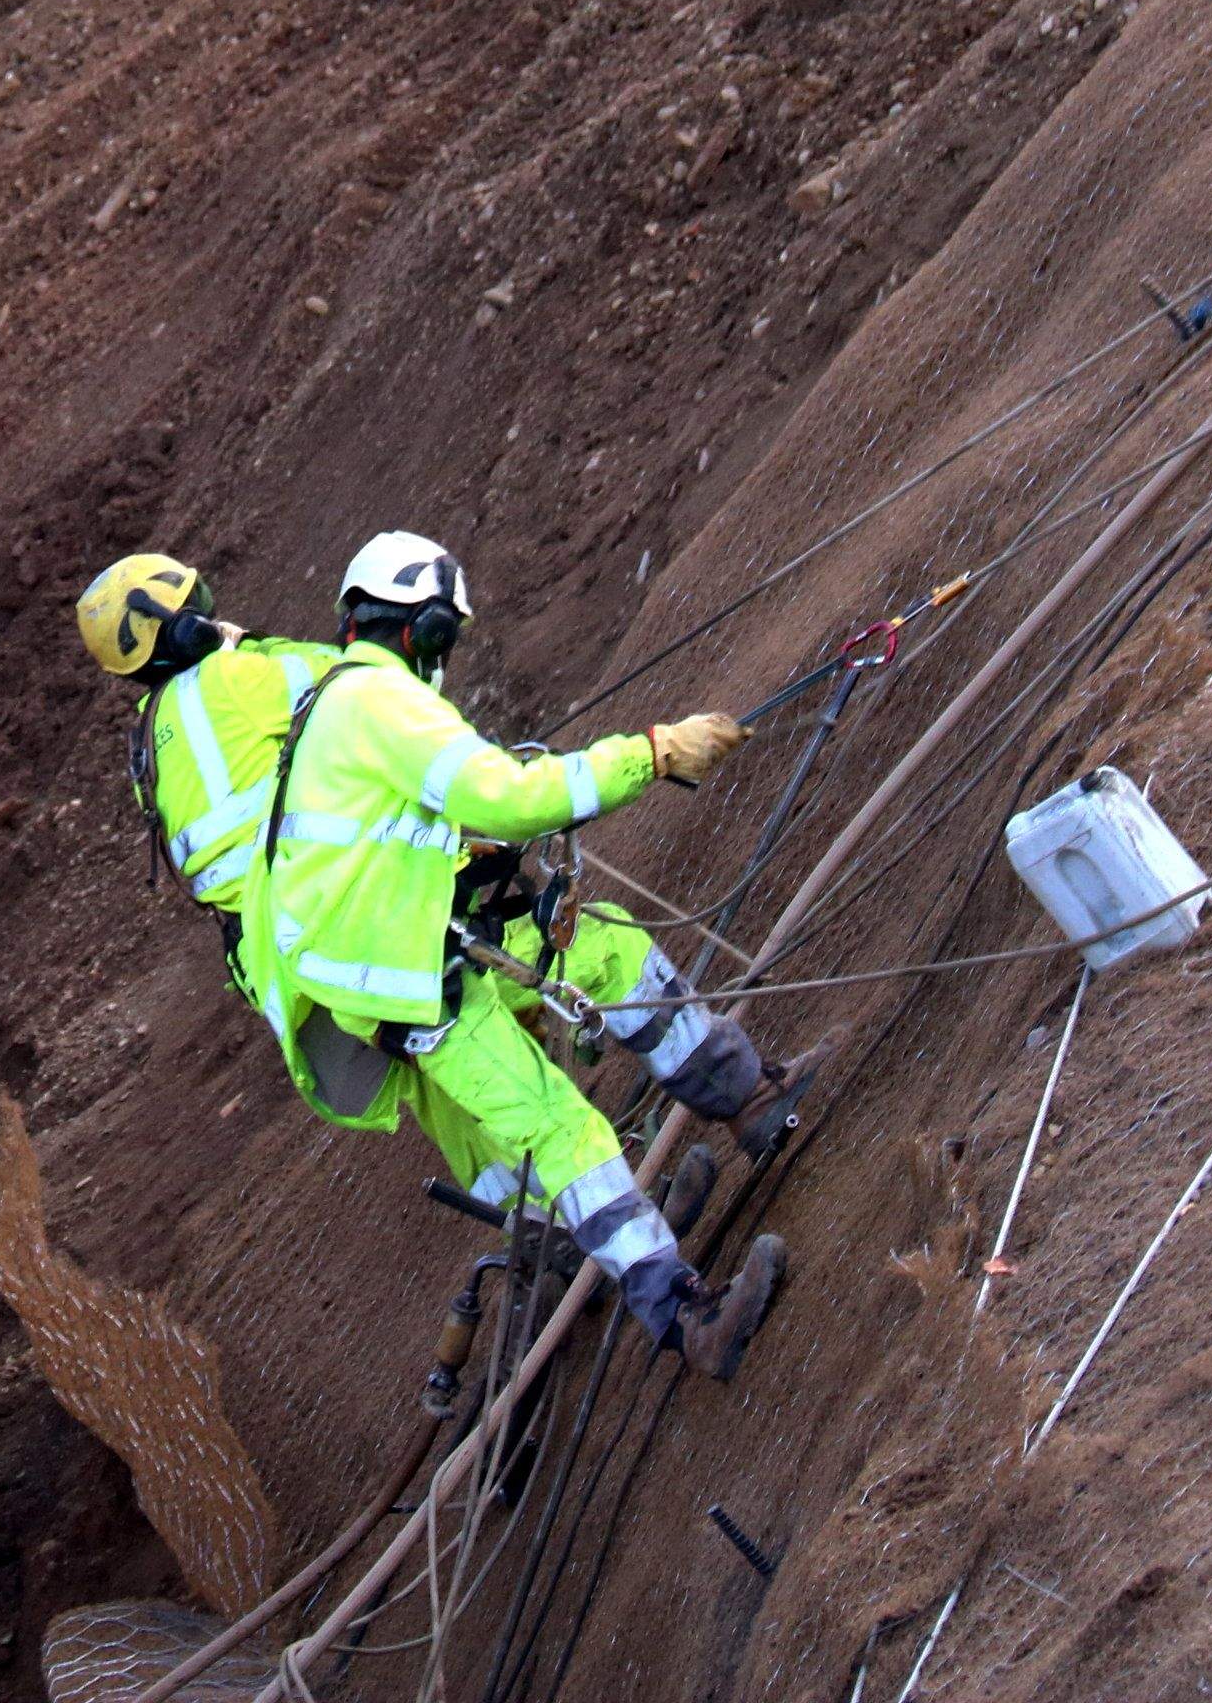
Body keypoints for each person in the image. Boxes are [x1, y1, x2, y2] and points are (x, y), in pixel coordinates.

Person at [249, 531, 801, 1376]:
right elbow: (509, 798)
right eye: (445, 636)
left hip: (413, 952)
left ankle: (751, 1101)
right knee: (563, 1132)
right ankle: (686, 1315)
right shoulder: (377, 703)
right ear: (422, 630)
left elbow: (367, 849)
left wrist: (459, 863)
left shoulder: (334, 709)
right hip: (413, 993)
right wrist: (650, 753)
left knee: (606, 949)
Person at [75, 552, 340, 966]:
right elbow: (347, 674)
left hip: (261, 954)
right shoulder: (227, 679)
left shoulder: (142, 749)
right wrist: (249, 644)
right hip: (320, 895)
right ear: (186, 627)